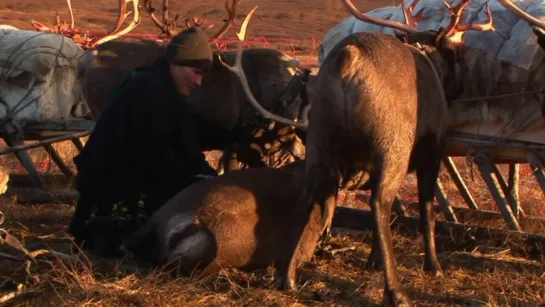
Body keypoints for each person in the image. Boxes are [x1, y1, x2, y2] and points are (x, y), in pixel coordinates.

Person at [67, 27, 219, 257]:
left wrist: (212, 181)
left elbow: (187, 148)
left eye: (202, 75)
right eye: (196, 72)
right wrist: (190, 182)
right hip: (115, 188)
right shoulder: (147, 91)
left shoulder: (169, 94)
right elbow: (153, 155)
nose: (199, 81)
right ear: (175, 64)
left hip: (136, 180)